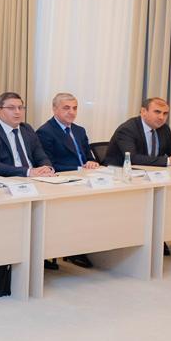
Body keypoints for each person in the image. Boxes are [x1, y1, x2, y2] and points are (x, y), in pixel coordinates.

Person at [35, 93, 99, 270]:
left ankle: (90, 244)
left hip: (84, 179)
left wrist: (91, 162)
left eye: (75, 108)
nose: (72, 112)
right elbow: (49, 165)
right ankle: (73, 249)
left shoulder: (79, 130)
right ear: (54, 109)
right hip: (62, 182)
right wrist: (79, 169)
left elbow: (88, 156)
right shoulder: (45, 131)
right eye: (66, 108)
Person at [0, 93, 55, 179]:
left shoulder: (27, 128)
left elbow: (41, 156)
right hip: (6, 180)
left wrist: (46, 168)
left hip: (33, 178)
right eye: (11, 108)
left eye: (20, 108)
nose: (17, 112)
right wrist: (28, 172)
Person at [107, 97, 171, 168]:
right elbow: (132, 158)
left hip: (152, 173)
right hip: (120, 172)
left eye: (165, 113)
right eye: (157, 112)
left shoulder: (164, 129)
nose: (161, 117)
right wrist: (168, 161)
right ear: (143, 112)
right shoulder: (127, 129)